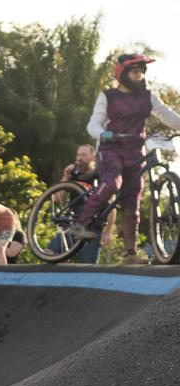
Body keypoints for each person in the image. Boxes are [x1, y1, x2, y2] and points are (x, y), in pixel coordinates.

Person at [73, 53, 180, 265]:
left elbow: (167, 115)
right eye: (135, 71)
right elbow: (93, 124)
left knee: (133, 203)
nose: (139, 76)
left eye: (142, 72)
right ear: (122, 74)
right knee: (113, 183)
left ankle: (130, 255)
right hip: (110, 149)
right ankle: (81, 222)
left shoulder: (148, 97)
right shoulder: (108, 96)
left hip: (135, 152)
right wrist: (103, 133)